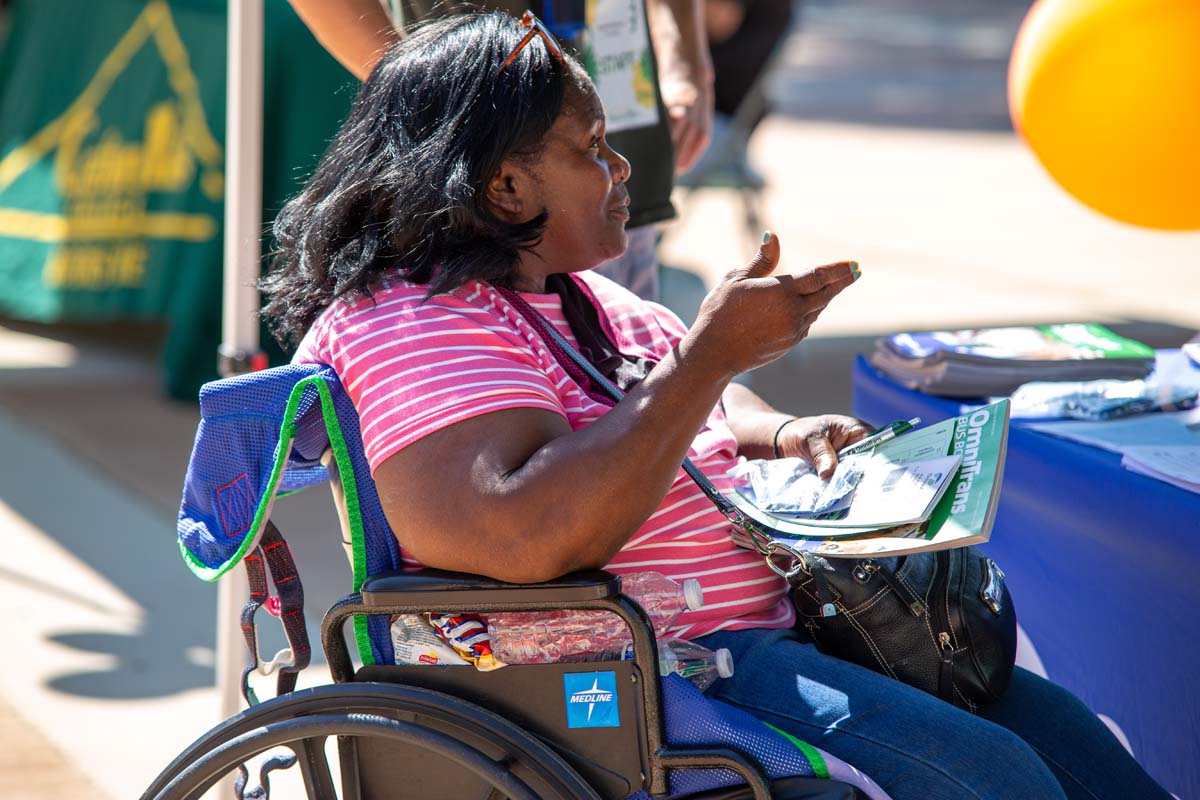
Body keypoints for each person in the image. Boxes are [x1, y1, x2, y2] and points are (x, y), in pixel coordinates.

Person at [261, 13, 1172, 800]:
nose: (622, 168)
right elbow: (519, 534)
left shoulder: (582, 296)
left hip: (760, 638)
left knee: (1067, 741)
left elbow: (692, 414)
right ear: (505, 186)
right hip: (648, 674)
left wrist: (780, 430)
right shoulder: (416, 320)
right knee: (994, 778)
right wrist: (707, 355)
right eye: (591, 149)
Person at [287, 0, 714, 302]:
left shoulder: (613, 175)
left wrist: (686, 59)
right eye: (598, 148)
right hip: (494, 184)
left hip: (620, 97)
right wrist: (431, 98)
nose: (624, 168)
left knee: (619, 370)